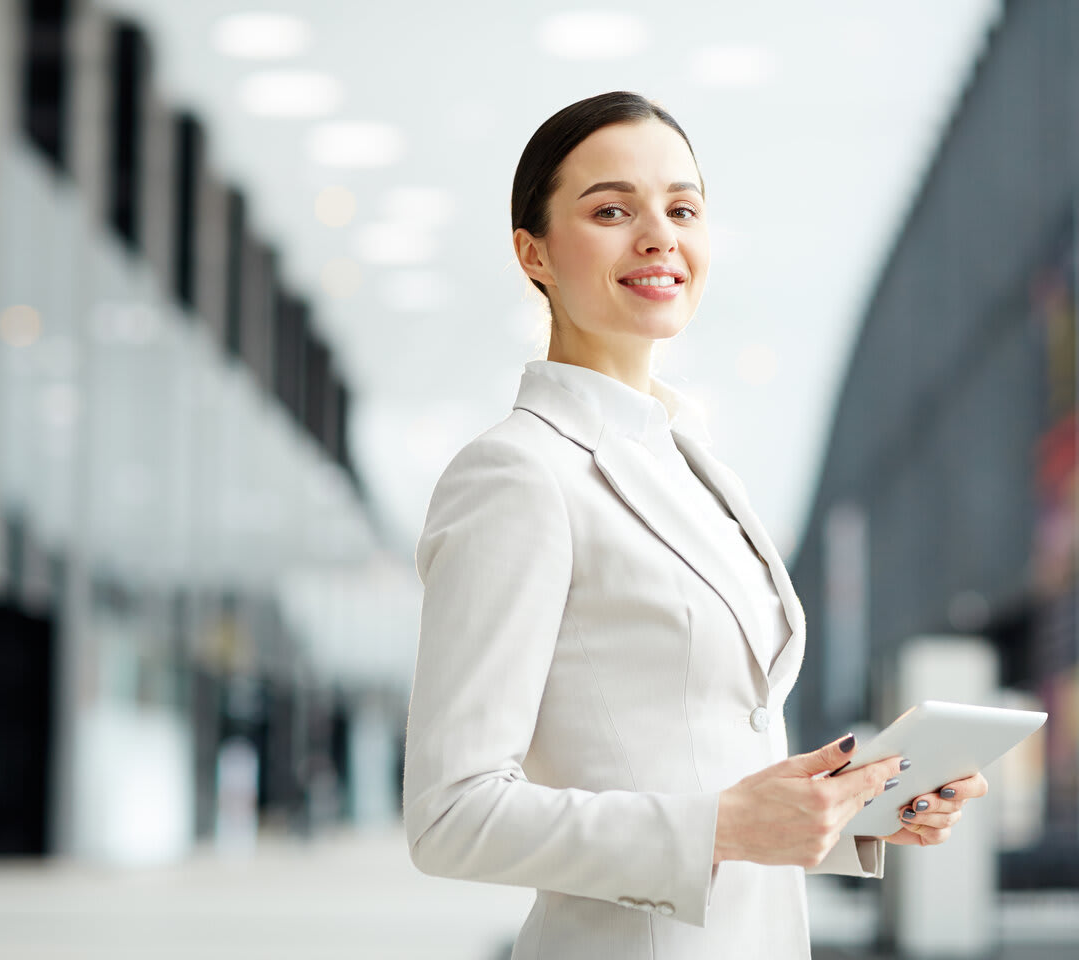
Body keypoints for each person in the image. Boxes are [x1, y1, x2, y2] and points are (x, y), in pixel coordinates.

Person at [403, 91, 989, 960]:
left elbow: (701, 760)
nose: (658, 236)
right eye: (611, 210)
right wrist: (718, 826)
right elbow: (451, 816)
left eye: (682, 208)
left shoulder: (689, 460)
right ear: (534, 253)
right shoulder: (519, 475)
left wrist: (858, 808)